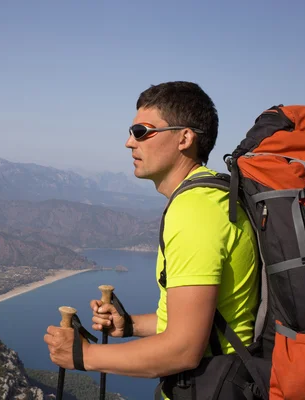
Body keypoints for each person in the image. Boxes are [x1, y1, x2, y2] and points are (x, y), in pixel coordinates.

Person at [43, 81, 260, 397]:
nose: (129, 143)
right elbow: (202, 321)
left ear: (184, 137)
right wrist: (130, 326)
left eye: (142, 131)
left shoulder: (195, 212)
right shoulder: (214, 196)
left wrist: (83, 355)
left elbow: (183, 350)